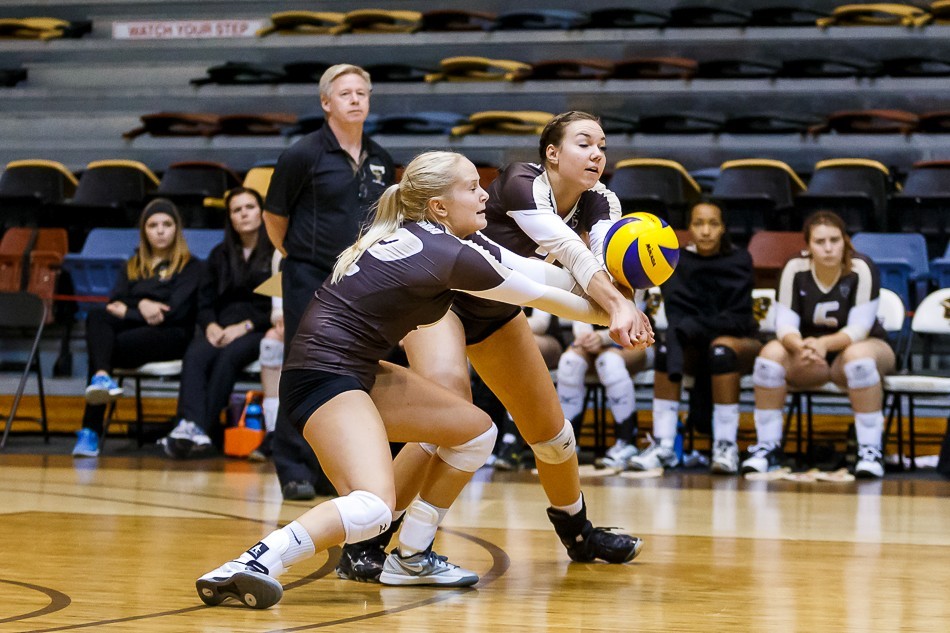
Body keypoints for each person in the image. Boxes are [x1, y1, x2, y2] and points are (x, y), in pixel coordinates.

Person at [196, 151, 623, 609]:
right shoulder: (445, 254)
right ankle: (252, 563)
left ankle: (413, 557)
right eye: (471, 188)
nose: (485, 195)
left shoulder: (438, 240)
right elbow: (542, 293)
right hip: (322, 377)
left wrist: (616, 301)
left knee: (476, 433)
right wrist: (620, 311)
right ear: (439, 206)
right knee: (373, 507)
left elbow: (537, 271)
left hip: (354, 370)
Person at [337, 111, 651, 582]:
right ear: (552, 153)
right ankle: (370, 540)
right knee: (447, 415)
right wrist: (614, 308)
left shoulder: (601, 199)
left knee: (552, 434)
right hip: (441, 301)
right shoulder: (524, 183)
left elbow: (603, 258)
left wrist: (627, 302)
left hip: (498, 307)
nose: (597, 154)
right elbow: (569, 251)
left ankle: (578, 532)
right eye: (584, 143)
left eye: (602, 145)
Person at [263, 63, 395, 499]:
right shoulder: (302, 154)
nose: (356, 99)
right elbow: (274, 219)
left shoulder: (380, 159)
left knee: (349, 371)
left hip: (360, 280)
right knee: (302, 368)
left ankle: (328, 466)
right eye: (345, 93)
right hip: (308, 275)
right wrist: (301, 256)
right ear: (326, 103)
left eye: (362, 92)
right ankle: (292, 464)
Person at [740, 210, 895, 478]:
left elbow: (860, 327)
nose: (828, 248)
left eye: (834, 240)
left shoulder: (862, 267)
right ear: (808, 245)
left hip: (862, 347)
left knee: (860, 359)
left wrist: (824, 344)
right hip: (809, 354)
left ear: (845, 241)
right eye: (820, 242)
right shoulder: (794, 268)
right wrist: (802, 347)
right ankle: (768, 447)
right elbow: (784, 324)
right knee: (769, 356)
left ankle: (870, 450)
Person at [627, 202, 762, 474]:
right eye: (699, 223)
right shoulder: (677, 262)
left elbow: (738, 319)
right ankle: (664, 444)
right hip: (690, 342)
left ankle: (725, 446)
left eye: (713, 224)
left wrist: (700, 327)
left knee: (720, 351)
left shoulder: (740, 260)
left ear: (723, 228)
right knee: (665, 349)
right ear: (689, 228)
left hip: (735, 340)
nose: (706, 231)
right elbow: (677, 315)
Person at [71, 199, 203, 457]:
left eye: (167, 224)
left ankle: (91, 430)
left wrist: (130, 309)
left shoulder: (192, 266)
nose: (160, 230)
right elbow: (112, 304)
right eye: (153, 225)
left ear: (177, 229)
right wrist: (142, 305)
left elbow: (175, 311)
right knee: (97, 317)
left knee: (102, 348)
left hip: (172, 337)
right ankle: (101, 378)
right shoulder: (132, 265)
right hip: (137, 337)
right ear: (144, 231)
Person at [159, 187, 275, 458]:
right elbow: (205, 301)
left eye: (249, 207)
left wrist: (244, 327)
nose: (244, 214)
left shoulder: (276, 252)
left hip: (256, 327)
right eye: (237, 210)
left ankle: (203, 428)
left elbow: (274, 303)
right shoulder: (219, 254)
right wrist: (210, 325)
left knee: (228, 358)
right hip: (220, 326)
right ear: (230, 218)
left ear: (261, 213)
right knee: (197, 354)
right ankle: (189, 425)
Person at [557, 318, 648, 470]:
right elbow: (578, 310)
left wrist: (603, 337)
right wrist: (587, 337)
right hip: (592, 343)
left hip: (636, 338)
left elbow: (634, 318)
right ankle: (567, 445)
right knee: (569, 362)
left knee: (610, 362)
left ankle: (626, 442)